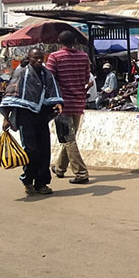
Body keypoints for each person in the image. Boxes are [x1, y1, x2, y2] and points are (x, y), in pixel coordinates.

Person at [0, 47, 64, 196]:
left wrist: (57, 102)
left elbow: (53, 91)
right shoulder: (21, 73)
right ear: (29, 58)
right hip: (25, 117)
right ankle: (28, 180)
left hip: (41, 117)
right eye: (36, 58)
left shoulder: (47, 74)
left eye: (41, 58)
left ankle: (42, 183)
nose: (39, 61)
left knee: (44, 151)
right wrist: (6, 118)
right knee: (31, 151)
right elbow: (11, 94)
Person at [45, 30, 91, 184]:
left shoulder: (55, 57)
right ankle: (59, 168)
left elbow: (49, 80)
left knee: (68, 139)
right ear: (75, 42)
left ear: (59, 41)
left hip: (62, 104)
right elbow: (86, 78)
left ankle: (81, 173)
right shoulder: (84, 57)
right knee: (69, 138)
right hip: (78, 102)